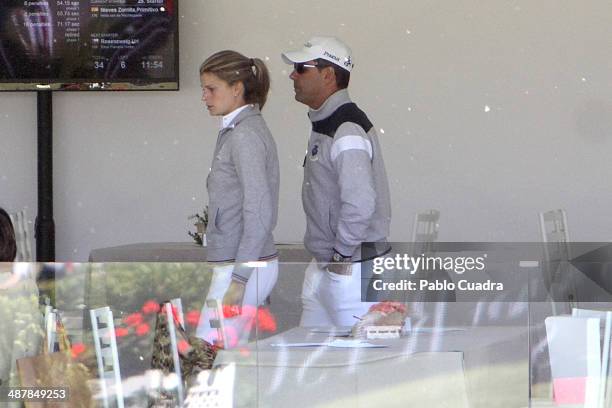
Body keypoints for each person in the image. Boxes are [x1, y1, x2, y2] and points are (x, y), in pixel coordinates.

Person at [281, 36, 392, 327]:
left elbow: (360, 202)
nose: (293, 74)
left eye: (301, 68)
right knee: (312, 364)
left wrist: (340, 256)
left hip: (351, 269)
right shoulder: (328, 123)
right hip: (332, 266)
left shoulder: (346, 127)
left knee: (358, 366)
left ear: (328, 75)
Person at [195, 51, 280, 346]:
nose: (204, 96)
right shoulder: (238, 130)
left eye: (211, 88)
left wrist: (240, 280)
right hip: (241, 263)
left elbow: (258, 209)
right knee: (221, 361)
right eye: (203, 88)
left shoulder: (244, 135)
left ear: (237, 88)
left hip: (239, 266)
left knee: (208, 359)